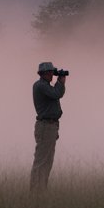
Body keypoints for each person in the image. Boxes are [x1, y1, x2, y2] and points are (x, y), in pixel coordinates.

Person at [30, 61, 67, 191]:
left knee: (47, 161)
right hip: (45, 126)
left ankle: (41, 190)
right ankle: (36, 191)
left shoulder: (45, 86)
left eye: (52, 72)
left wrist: (59, 82)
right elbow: (57, 94)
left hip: (50, 126)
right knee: (41, 161)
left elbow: (56, 94)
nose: (52, 74)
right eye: (49, 72)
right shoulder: (40, 86)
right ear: (42, 74)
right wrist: (60, 82)